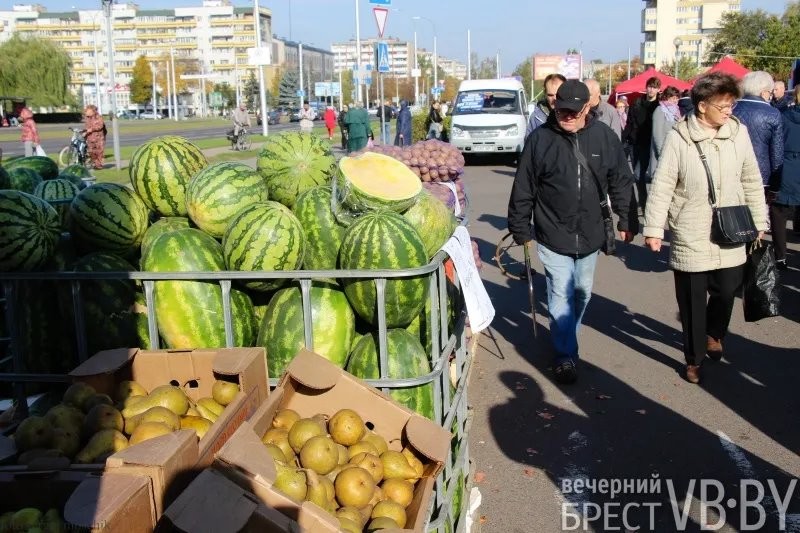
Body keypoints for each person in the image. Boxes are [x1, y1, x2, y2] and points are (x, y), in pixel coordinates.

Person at [507, 80, 638, 385]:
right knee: (560, 292)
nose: (566, 116)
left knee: (582, 292)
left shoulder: (604, 137)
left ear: (587, 108)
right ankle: (565, 354)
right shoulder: (540, 140)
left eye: (572, 112)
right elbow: (523, 186)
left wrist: (626, 218)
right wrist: (519, 225)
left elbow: (621, 179)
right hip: (552, 231)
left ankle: (567, 335)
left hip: (590, 232)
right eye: (561, 110)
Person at [643, 72, 767, 385]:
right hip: (691, 227)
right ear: (702, 106)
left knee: (727, 291)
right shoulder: (679, 136)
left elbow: (751, 179)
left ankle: (715, 333)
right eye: (723, 105)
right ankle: (693, 358)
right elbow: (663, 185)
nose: (729, 111)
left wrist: (759, 221)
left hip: (732, 227)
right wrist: (654, 228)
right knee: (692, 300)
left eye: (731, 105)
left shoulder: (739, 133)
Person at [733, 71, 783, 191]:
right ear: (764, 92)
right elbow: (777, 152)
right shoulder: (773, 113)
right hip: (761, 176)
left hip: (732, 172)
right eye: (770, 92)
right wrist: (775, 186)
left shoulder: (731, 108)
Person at [770, 85, 800, 270]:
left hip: (786, 167)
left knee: (779, 214)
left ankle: (780, 256)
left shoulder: (782, 116)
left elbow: (776, 144)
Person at [623, 76, 661, 211]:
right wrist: (623, 140)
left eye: (654, 87)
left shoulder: (659, 106)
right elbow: (628, 123)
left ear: (658, 89)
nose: (651, 89)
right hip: (635, 143)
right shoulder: (637, 102)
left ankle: (646, 204)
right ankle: (644, 201)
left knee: (639, 174)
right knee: (638, 178)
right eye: (649, 86)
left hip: (649, 145)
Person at [649, 86, 682, 178]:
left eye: (677, 98)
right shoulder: (660, 110)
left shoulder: (676, 111)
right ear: (666, 97)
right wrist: (662, 155)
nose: (676, 100)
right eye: (673, 98)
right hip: (663, 153)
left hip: (674, 152)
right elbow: (657, 135)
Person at [526, 73, 566, 138]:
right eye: (550, 95)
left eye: (558, 94)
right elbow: (529, 144)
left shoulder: (575, 115)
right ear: (545, 94)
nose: (554, 98)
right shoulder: (536, 117)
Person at [82, 105, 105, 170]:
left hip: (98, 138)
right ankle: (95, 164)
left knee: (99, 152)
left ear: (93, 111)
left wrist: (91, 129)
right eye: (86, 111)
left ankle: (99, 165)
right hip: (90, 138)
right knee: (91, 152)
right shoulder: (87, 118)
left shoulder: (98, 117)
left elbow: (100, 126)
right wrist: (84, 131)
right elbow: (86, 127)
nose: (87, 112)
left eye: (88, 111)